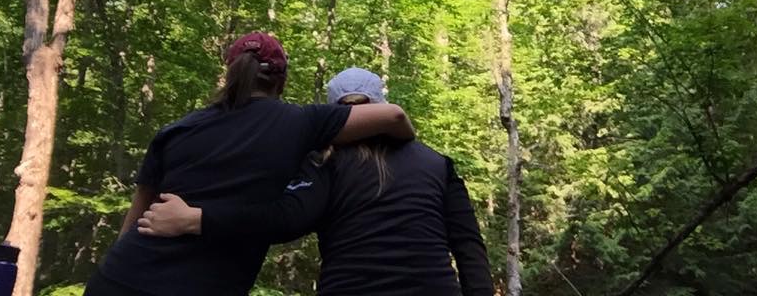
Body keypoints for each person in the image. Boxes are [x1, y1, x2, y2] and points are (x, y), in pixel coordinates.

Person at [84, 34, 415, 296]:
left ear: (228, 75)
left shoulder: (176, 130)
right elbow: (394, 117)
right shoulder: (299, 122)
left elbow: (133, 222)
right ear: (281, 82)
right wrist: (410, 147)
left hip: (116, 277)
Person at [140, 67, 493, 296]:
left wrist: (198, 219)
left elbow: (282, 220)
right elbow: (468, 245)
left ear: (336, 113)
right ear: (381, 104)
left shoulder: (323, 163)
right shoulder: (437, 163)